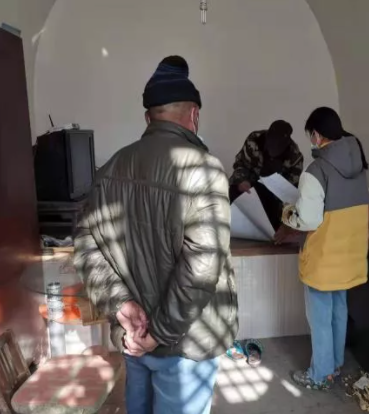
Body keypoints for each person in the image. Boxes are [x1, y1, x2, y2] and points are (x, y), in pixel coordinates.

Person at [74, 56, 238, 414]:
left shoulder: (110, 169)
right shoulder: (205, 170)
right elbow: (202, 269)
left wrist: (121, 305)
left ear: (148, 118)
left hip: (133, 336)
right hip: (186, 345)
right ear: (194, 114)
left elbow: (86, 246)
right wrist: (159, 334)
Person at [274, 107, 369, 390]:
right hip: (349, 255)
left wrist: (287, 212)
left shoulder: (316, 171)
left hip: (324, 256)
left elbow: (309, 220)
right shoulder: (360, 166)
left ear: (316, 135)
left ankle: (319, 374)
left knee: (319, 318)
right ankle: (335, 364)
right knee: (339, 310)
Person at [228, 120, 303, 230]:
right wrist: (242, 180)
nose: (273, 150)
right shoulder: (254, 140)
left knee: (273, 223)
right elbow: (240, 164)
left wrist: (286, 223)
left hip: (274, 196)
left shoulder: (294, 157)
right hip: (250, 185)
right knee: (233, 189)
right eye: (271, 145)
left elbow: (290, 192)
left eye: (278, 148)